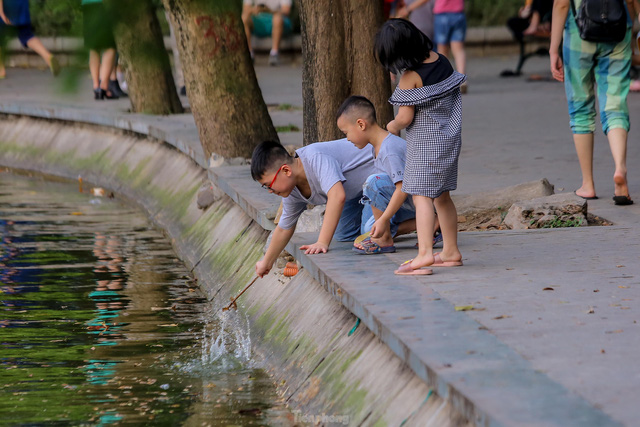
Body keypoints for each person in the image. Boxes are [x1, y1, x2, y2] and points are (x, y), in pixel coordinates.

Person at [375, 18, 465, 275]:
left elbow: (405, 118)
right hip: (449, 141)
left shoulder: (410, 77)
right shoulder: (441, 59)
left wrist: (391, 127)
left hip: (426, 146)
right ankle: (450, 251)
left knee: (421, 196)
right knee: (443, 197)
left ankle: (424, 253)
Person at [550, 0, 639, 205]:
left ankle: (588, 184)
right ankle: (620, 169)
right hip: (619, 28)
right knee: (615, 103)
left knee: (581, 108)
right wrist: (631, 32)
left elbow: (561, 4)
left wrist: (553, 49)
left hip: (579, 31)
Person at [251, 139, 376, 277]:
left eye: (269, 185)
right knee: (343, 234)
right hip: (358, 192)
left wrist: (322, 242)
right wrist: (267, 262)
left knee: (370, 231)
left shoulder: (315, 157)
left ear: (286, 170)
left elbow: (337, 196)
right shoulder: (292, 191)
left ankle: (400, 221)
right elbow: (284, 228)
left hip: (382, 179)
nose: (269, 191)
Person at [336, 95, 417, 255]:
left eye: (346, 132)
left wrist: (384, 219)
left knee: (373, 182)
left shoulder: (389, 150)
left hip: (417, 200)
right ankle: (428, 224)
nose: (347, 138)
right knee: (367, 230)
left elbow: (403, 188)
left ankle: (386, 239)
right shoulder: (376, 146)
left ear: (360, 124)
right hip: (399, 200)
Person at [394, 0, 467, 92]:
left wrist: (408, 9)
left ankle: (444, 80)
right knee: (458, 50)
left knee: (442, 50)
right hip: (458, 14)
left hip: (442, 14)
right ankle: (462, 80)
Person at [0, 0, 60, 79]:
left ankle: (1, 70)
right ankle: (48, 56)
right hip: (21, 4)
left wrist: (1, 12)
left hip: (7, 5)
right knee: (26, 34)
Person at [81, 0, 118, 99]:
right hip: (104, 4)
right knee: (110, 47)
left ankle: (96, 86)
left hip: (87, 4)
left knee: (93, 47)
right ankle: (104, 87)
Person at [242, 0, 292, 66]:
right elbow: (245, 10)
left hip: (278, 21)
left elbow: (286, 11)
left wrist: (270, 11)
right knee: (244, 17)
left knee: (277, 18)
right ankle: (250, 53)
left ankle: (274, 53)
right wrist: (254, 10)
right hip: (259, 20)